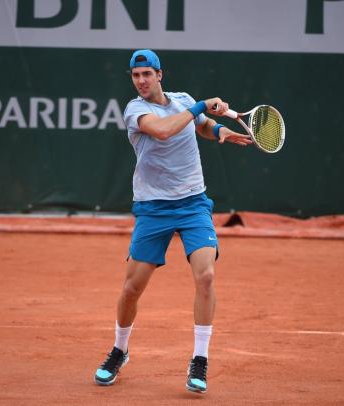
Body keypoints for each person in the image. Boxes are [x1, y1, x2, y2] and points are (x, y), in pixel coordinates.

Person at [93, 49, 252, 393]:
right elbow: (164, 131)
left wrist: (221, 132)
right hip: (153, 208)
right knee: (132, 288)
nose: (141, 81)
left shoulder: (183, 100)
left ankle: (200, 360)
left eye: (147, 74)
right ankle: (120, 350)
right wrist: (198, 108)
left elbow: (204, 126)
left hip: (193, 203)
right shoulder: (136, 110)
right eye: (136, 76)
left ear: (160, 75)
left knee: (206, 275)